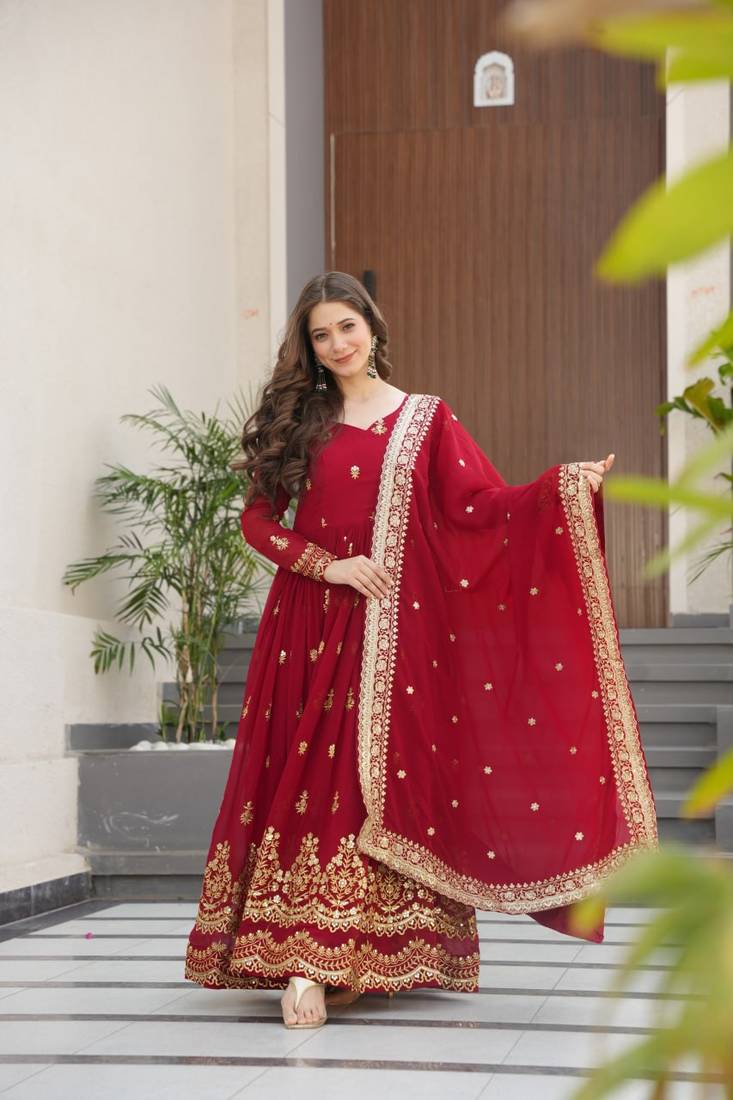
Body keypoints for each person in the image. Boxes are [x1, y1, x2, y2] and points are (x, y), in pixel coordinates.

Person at [184, 270, 658, 1029]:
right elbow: (258, 521)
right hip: (310, 625)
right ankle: (302, 958)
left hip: (397, 635)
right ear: (309, 347)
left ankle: (360, 954)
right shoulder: (300, 421)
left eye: (347, 326)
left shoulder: (425, 419)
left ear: (372, 327)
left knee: (371, 784)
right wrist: (327, 565)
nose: (337, 343)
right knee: (310, 780)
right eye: (320, 334)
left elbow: (483, 508)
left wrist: (562, 488)